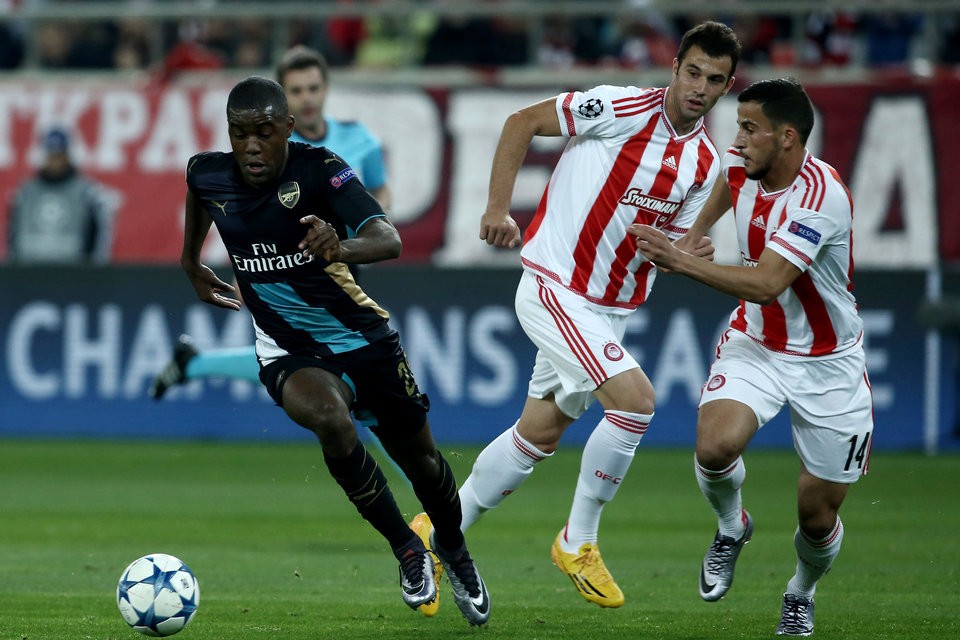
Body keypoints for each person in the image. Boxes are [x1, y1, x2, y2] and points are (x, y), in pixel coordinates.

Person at [408, 20, 742, 611]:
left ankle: (435, 530)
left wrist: (686, 253)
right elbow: (522, 122)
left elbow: (664, 249)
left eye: (714, 80)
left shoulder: (703, 164)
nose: (699, 87)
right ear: (674, 68)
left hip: (610, 311)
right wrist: (497, 209)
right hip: (556, 288)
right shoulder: (619, 107)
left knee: (538, 433)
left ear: (726, 87)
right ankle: (578, 540)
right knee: (635, 402)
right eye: (692, 72)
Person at [178, 76, 489, 624]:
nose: (251, 146)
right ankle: (407, 550)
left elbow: (389, 239)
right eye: (239, 134)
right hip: (287, 350)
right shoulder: (208, 173)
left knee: (423, 464)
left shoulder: (321, 169)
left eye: (264, 133)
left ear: (287, 128)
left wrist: (339, 245)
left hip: (363, 340)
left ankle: (454, 549)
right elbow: (199, 196)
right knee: (330, 419)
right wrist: (190, 262)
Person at [630, 77, 874, 636]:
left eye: (748, 128)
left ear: (787, 137)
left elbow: (766, 283)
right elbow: (727, 180)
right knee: (715, 446)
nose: (735, 140)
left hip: (829, 363)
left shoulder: (821, 198)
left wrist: (679, 259)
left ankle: (800, 592)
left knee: (817, 515)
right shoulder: (747, 166)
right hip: (757, 343)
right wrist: (695, 233)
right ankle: (731, 526)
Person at [150, 45, 390, 398]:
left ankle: (193, 364)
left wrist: (365, 228)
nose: (307, 98)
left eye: (313, 88)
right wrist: (245, 264)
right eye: (296, 91)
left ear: (325, 89)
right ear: (282, 101)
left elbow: (380, 192)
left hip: (342, 257)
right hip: (284, 262)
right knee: (298, 348)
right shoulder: (271, 148)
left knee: (319, 349)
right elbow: (231, 201)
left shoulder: (360, 139)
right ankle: (195, 365)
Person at [7, 127, 115, 264]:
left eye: (59, 155)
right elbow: (12, 234)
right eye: (51, 155)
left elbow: (99, 235)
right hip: (30, 270)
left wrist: (93, 270)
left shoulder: (85, 193)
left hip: (72, 272)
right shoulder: (26, 192)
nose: (55, 162)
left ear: (67, 155)